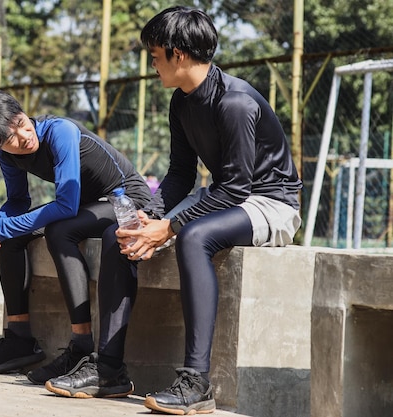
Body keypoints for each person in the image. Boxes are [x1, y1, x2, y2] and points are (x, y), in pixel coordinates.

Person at [45, 6, 302, 415]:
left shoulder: (234, 102)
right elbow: (181, 175)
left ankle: (197, 382)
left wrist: (171, 227)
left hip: (271, 202)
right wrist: (149, 217)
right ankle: (108, 369)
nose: (152, 64)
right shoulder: (181, 103)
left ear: (177, 54)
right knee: (121, 232)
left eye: (155, 55)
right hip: (224, 194)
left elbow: (237, 186)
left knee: (195, 237)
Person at [0, 89, 151, 386]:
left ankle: (81, 346)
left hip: (126, 200)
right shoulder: (7, 156)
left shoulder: (60, 131)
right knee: (12, 236)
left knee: (60, 229)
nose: (24, 136)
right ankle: (19, 340)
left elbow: (65, 206)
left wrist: (0, 229)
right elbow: (17, 201)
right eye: (10, 138)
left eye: (22, 123)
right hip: (86, 205)